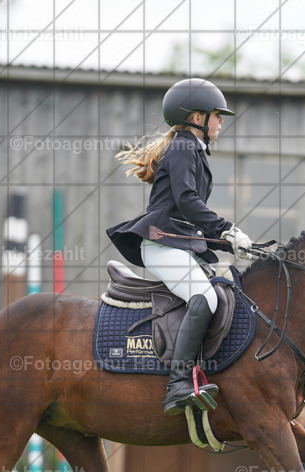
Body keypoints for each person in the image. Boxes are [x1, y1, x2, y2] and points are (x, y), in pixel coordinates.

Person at [107, 78, 255, 415]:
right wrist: (227, 229)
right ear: (197, 117)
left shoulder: (190, 150)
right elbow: (187, 201)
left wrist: (229, 241)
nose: (220, 122)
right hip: (161, 244)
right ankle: (177, 384)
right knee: (204, 297)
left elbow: (188, 214)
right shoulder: (184, 148)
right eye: (217, 115)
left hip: (177, 243)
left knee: (225, 286)